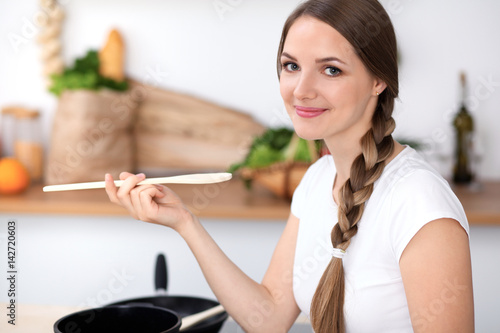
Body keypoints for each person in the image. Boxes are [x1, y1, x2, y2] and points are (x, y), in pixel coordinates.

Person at [105, 0, 474, 332]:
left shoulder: (420, 202)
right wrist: (185, 222)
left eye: (331, 70)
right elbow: (268, 317)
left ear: (378, 80)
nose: (301, 89)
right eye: (291, 66)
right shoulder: (317, 180)